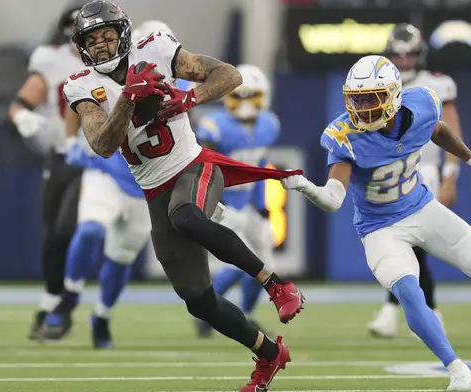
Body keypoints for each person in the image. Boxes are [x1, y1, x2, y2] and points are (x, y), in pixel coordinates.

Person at [62, 2, 305, 391]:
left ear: (123, 34)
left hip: (194, 164)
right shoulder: (80, 86)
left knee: (187, 217)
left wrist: (189, 99)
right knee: (198, 300)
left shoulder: (154, 49)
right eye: (93, 39)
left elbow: (230, 74)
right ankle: (269, 355)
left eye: (108, 35)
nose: (103, 46)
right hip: (155, 188)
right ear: (82, 46)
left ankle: (276, 284)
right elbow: (103, 144)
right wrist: (126, 99)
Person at [281, 54, 471, 390]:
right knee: (409, 291)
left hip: (422, 208)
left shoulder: (422, 103)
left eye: (370, 99)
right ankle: (457, 368)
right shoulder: (345, 135)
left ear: (393, 95)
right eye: (355, 100)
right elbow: (333, 199)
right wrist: (305, 187)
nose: (360, 108)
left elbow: (437, 129)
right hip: (380, 229)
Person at [368, 23, 464, 339]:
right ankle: (410, 312)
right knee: (401, 244)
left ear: (420, 55)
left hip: (426, 172)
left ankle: (416, 312)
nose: (405, 61)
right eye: (399, 55)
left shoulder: (437, 84)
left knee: (410, 244)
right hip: (392, 172)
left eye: (410, 55)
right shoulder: (381, 83)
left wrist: (451, 176)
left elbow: (451, 134)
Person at [38, 105, 151, 348]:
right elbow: (74, 102)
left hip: (145, 180)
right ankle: (69, 296)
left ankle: (101, 316)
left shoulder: (172, 77)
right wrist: (71, 141)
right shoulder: (99, 73)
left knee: (122, 256)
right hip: (104, 168)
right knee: (91, 229)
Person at [7, 5, 86, 340]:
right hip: (62, 156)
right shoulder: (51, 59)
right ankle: (54, 300)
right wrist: (21, 117)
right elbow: (21, 102)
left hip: (104, 160)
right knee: (53, 234)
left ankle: (68, 304)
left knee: (73, 229)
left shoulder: (120, 61)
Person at [193, 64, 279, 337]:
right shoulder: (214, 126)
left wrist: (262, 203)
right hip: (225, 201)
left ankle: (246, 314)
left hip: (249, 202)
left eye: (249, 95)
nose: (243, 102)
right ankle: (207, 309)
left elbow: (260, 166)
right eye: (237, 95)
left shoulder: (268, 124)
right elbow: (205, 169)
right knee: (244, 262)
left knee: (267, 266)